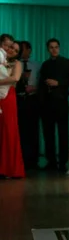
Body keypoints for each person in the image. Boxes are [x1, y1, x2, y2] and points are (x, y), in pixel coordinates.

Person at [38, 38, 69, 172]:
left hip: (61, 101)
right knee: (48, 133)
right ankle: (51, 161)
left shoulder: (67, 63)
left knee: (62, 133)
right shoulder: (45, 65)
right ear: (48, 49)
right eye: (51, 47)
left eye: (56, 47)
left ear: (59, 48)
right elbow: (41, 84)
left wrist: (59, 82)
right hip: (46, 103)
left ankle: (62, 162)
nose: (54, 49)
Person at [0, 39, 25, 178]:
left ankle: (10, 169)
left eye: (16, 50)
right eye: (11, 48)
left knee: (9, 131)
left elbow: (15, 78)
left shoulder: (17, 63)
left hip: (8, 98)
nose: (12, 51)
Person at [15, 40, 40, 169]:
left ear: (29, 50)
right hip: (17, 100)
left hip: (32, 100)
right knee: (19, 130)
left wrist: (34, 88)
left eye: (22, 49)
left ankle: (33, 160)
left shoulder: (37, 65)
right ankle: (20, 158)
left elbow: (41, 83)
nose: (20, 51)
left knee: (33, 130)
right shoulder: (14, 64)